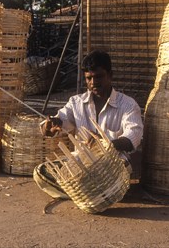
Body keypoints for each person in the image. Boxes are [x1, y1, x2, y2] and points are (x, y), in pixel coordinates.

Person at [33, 50, 143, 199]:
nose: (93, 82)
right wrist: (51, 126)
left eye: (99, 77)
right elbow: (59, 121)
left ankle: (82, 191)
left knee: (103, 176)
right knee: (41, 172)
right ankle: (86, 192)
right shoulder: (76, 102)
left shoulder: (128, 105)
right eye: (89, 78)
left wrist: (104, 144)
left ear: (110, 75)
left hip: (112, 164)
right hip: (82, 162)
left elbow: (132, 139)